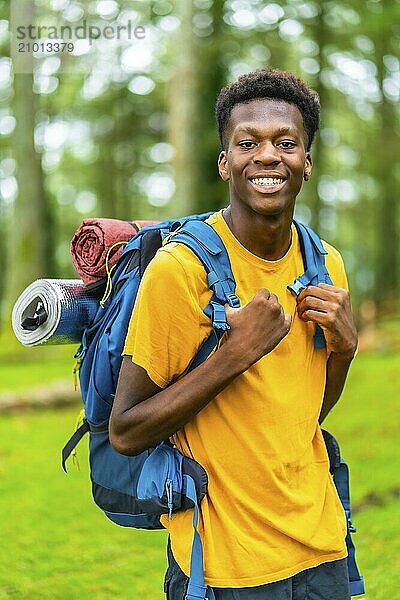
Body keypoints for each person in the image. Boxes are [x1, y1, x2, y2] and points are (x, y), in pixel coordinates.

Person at [109, 68, 358, 600]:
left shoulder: (326, 265)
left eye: (286, 143)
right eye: (248, 143)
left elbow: (303, 415)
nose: (267, 155)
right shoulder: (181, 271)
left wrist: (346, 349)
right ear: (225, 163)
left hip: (322, 548)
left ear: (307, 164)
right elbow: (126, 431)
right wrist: (234, 354)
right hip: (226, 566)